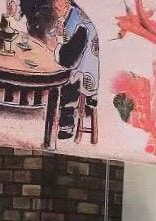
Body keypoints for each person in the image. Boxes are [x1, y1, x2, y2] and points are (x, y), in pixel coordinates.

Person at [47, 0, 100, 141]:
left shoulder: (80, 24)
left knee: (63, 80)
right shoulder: (70, 14)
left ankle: (66, 127)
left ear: (66, 3)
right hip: (77, 62)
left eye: (57, 8)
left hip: (83, 70)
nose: (55, 10)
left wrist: (56, 44)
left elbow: (69, 60)